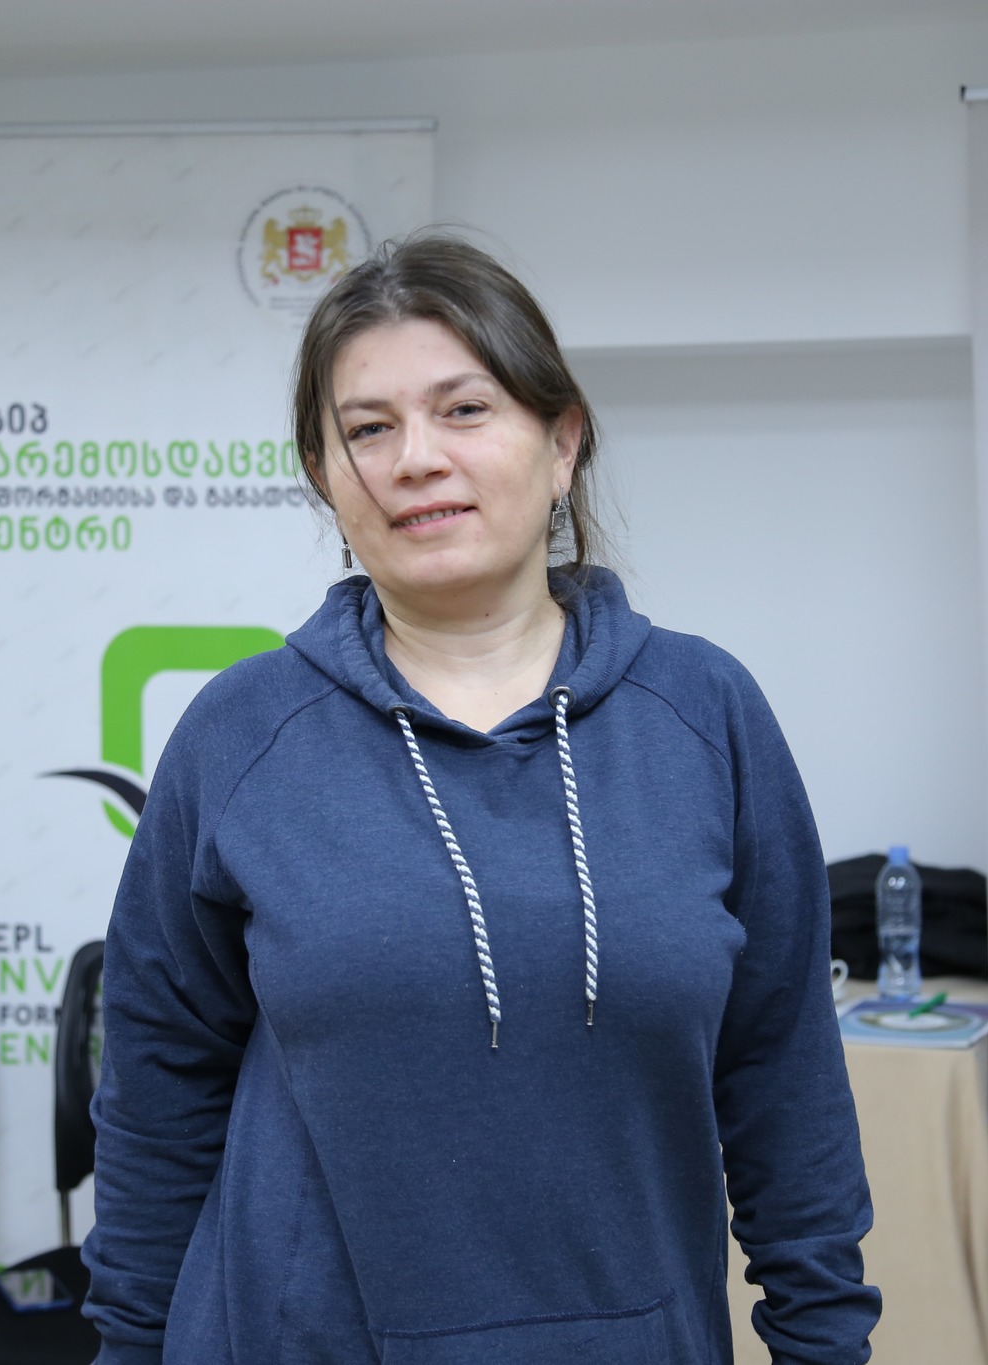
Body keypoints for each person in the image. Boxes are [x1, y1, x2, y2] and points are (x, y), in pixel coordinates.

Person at [82, 233, 879, 1364]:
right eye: (368, 429)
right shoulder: (242, 735)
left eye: (464, 410)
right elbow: (157, 1094)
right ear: (325, 478)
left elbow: (782, 1077)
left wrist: (822, 1344)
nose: (416, 459)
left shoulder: (704, 715)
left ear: (562, 443)